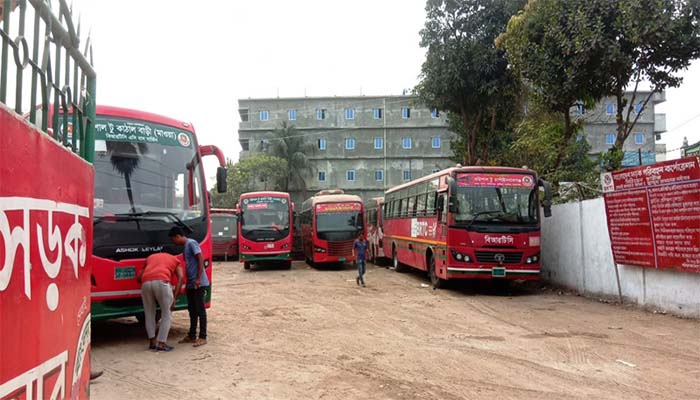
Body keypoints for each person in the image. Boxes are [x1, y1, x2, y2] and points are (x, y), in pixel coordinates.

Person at [169, 227, 209, 347]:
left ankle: (203, 336)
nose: (173, 243)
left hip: (198, 283)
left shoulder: (191, 243)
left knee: (200, 309)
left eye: (173, 240)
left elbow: (200, 259)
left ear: (178, 236)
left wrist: (198, 279)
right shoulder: (185, 247)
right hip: (191, 282)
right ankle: (192, 335)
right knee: (191, 309)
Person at [136, 251, 184, 352]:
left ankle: (152, 342)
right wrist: (174, 297)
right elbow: (181, 277)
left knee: (149, 314)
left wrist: (149, 280)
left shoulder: (150, 258)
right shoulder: (175, 260)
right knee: (167, 313)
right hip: (162, 282)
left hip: (146, 283)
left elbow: (139, 277)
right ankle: (161, 343)